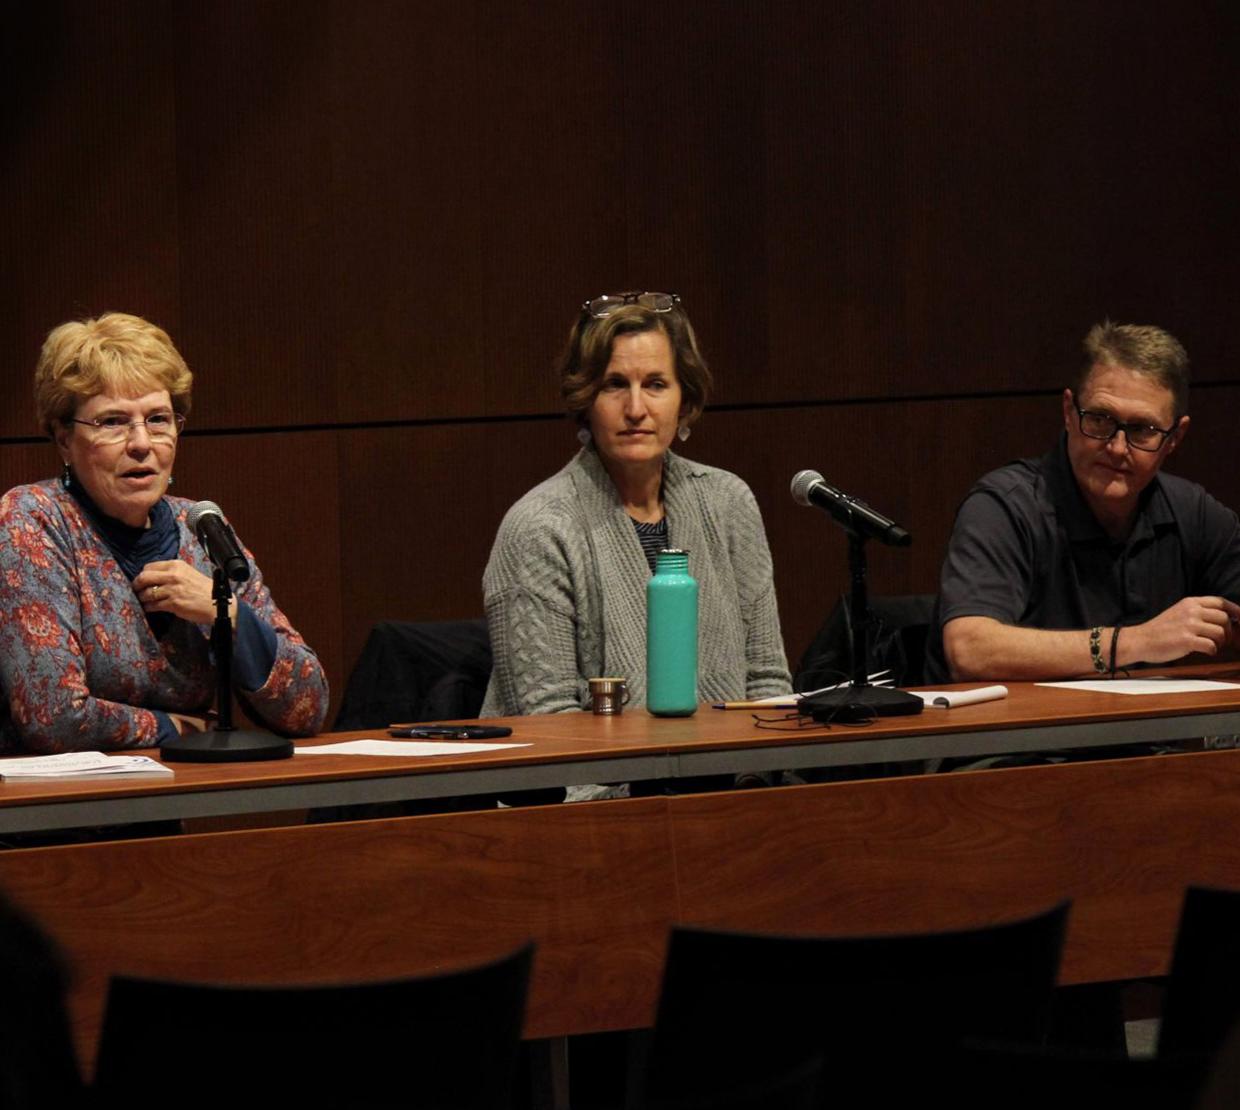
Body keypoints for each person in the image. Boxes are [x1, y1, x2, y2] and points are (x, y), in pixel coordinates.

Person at [0, 312, 328, 754]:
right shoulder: (33, 520)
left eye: (158, 419)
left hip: (168, 808)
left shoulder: (203, 527)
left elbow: (308, 707)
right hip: (52, 814)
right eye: (112, 422)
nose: (141, 443)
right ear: (63, 438)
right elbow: (54, 717)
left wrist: (227, 615)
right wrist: (177, 728)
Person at [481, 290, 791, 719]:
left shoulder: (728, 502)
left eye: (656, 385)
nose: (636, 408)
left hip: (729, 778)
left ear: (684, 398)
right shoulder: (539, 527)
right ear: (585, 399)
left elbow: (767, 684)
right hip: (591, 783)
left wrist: (754, 782)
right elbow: (547, 720)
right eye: (614, 385)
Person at [927, 321, 1240, 684]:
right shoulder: (1004, 506)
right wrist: (1138, 642)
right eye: (1101, 420)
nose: (1118, 447)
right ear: (1068, 412)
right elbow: (970, 650)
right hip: (1025, 738)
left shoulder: (1193, 512)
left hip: (1146, 737)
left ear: (1175, 437)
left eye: (1143, 430)